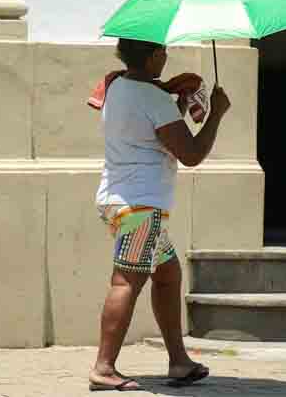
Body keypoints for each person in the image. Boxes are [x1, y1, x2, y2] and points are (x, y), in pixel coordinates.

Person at [89, 38, 231, 391]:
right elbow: (191, 153)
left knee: (167, 274)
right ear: (153, 56)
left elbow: (151, 135)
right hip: (141, 206)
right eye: (163, 51)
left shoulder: (117, 85)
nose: (167, 57)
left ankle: (179, 362)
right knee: (127, 280)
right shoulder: (153, 97)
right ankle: (103, 368)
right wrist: (215, 114)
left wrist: (177, 107)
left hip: (120, 198)